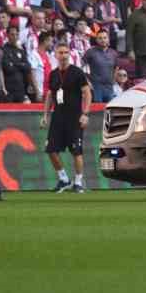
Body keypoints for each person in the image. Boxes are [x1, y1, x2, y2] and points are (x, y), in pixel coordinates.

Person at [42, 42, 91, 193]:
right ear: (55, 55)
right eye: (60, 53)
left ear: (69, 54)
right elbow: (50, 94)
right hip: (58, 117)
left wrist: (85, 113)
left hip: (74, 117)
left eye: (65, 53)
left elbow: (87, 92)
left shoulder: (77, 72)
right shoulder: (53, 74)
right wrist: (45, 114)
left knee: (76, 151)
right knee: (50, 149)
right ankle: (63, 179)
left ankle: (78, 181)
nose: (63, 56)